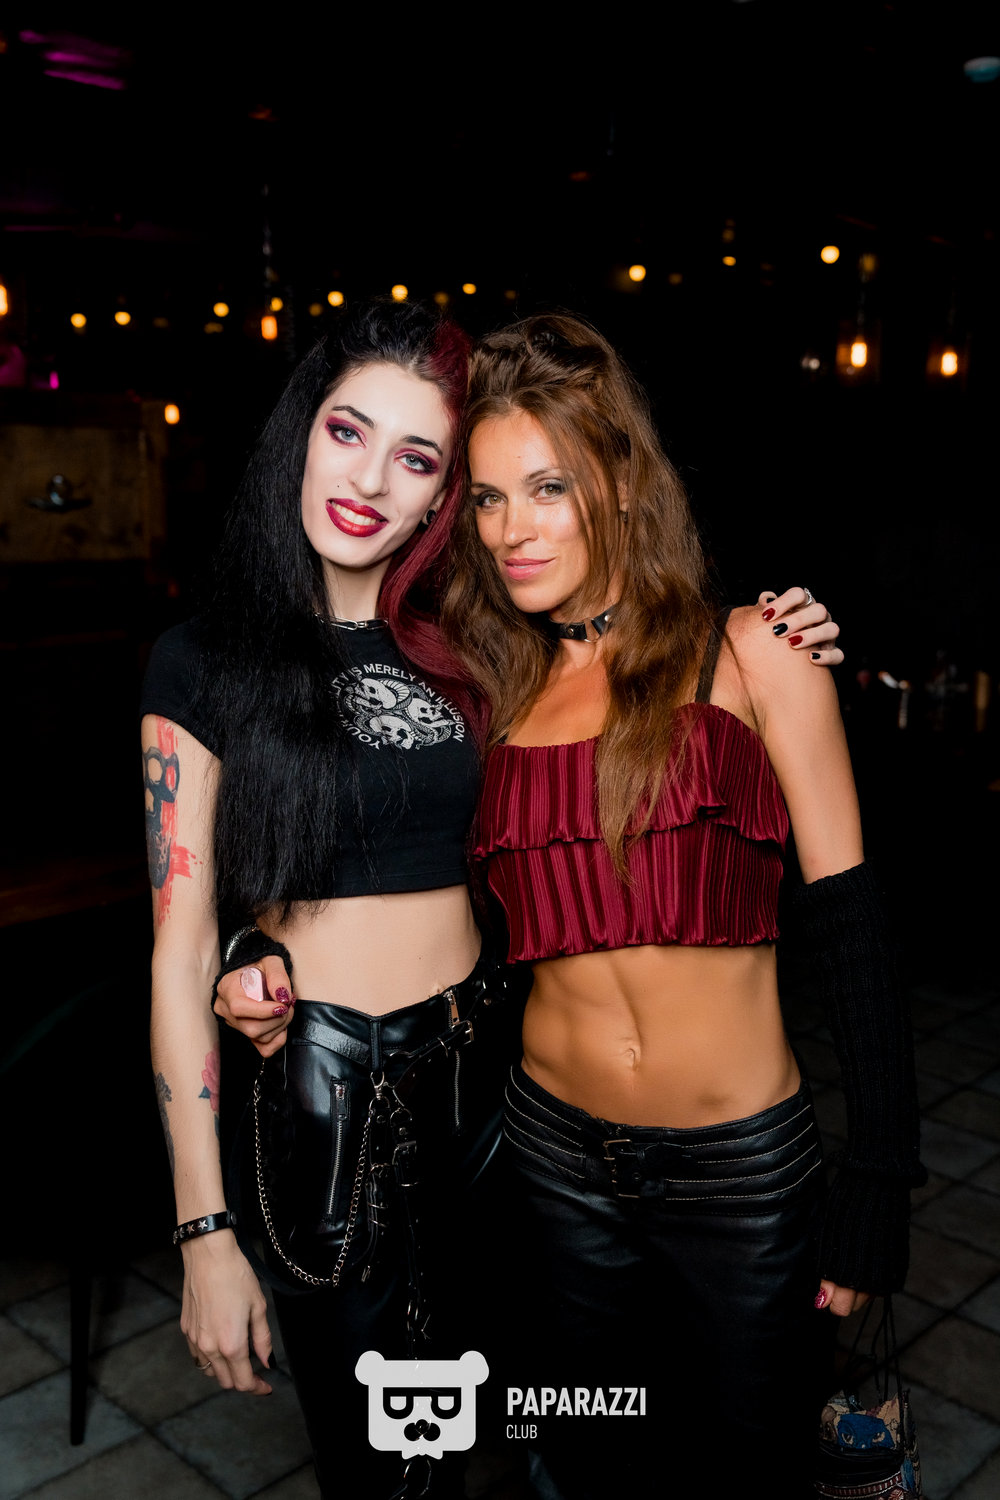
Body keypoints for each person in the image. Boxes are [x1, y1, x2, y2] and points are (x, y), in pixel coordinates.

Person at [151, 298, 844, 1498]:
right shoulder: (207, 658)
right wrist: (204, 1230)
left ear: (442, 496)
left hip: (498, 1097)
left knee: (536, 1423)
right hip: (329, 1099)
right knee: (390, 1456)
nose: (371, 478)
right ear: (299, 435)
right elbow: (178, 945)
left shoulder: (478, 646)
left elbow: (567, 789)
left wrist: (778, 638)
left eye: (418, 457)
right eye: (347, 431)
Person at [432, 313, 923, 1498]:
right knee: (579, 1455)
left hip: (740, 1177)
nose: (510, 530)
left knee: (746, 1466)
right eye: (486, 498)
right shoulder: (495, 691)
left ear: (615, 477)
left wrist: (878, 1179)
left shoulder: (756, 652)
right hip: (551, 1158)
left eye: (546, 487)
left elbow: (855, 928)